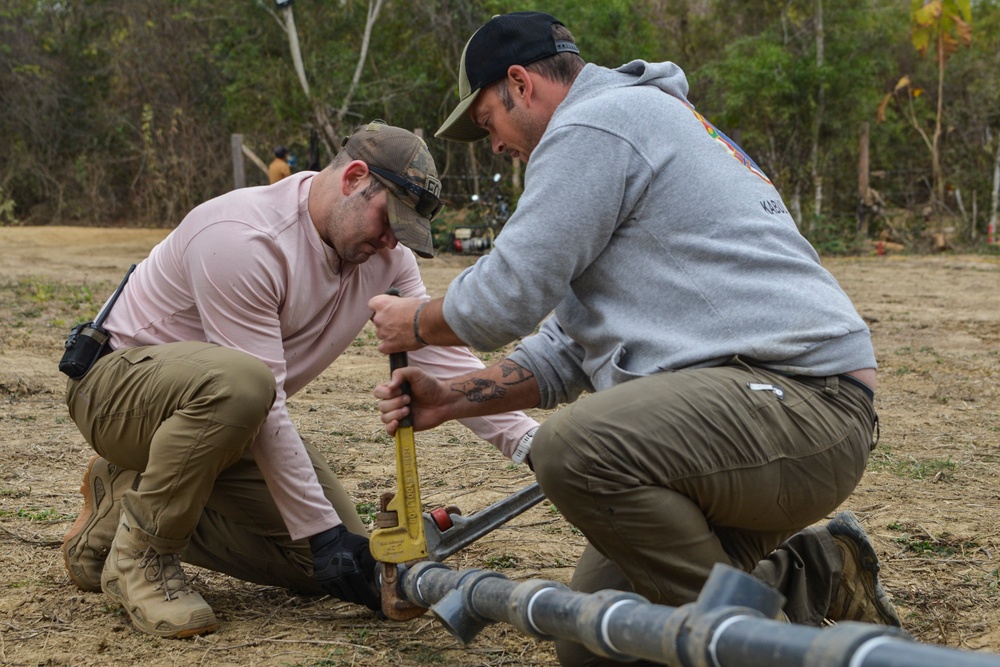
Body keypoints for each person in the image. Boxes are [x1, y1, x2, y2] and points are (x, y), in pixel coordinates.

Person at [369, 12, 901, 666]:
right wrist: (450, 397)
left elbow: (508, 293)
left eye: (488, 123)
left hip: (802, 402)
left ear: (520, 83)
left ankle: (755, 646)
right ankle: (816, 570)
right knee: (596, 639)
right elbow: (565, 350)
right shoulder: (620, 137)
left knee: (572, 447)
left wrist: (416, 321)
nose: (496, 145)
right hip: (739, 423)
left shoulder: (598, 125)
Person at [60, 120, 539, 639]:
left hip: (226, 420)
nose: (388, 242)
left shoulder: (386, 255)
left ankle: (127, 499)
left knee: (339, 564)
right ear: (355, 177)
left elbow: (439, 358)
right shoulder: (242, 238)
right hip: (118, 393)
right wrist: (321, 531)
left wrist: (532, 444)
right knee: (247, 394)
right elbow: (257, 393)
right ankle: (144, 557)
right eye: (387, 221)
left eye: (401, 233)